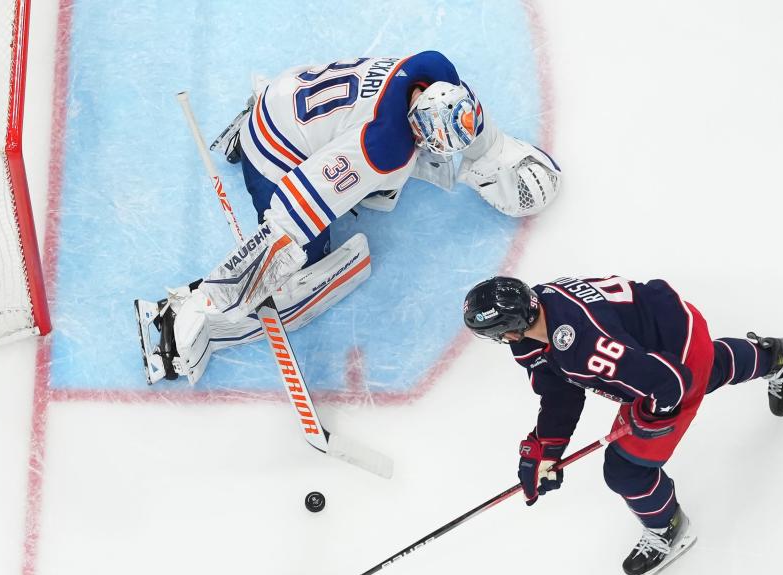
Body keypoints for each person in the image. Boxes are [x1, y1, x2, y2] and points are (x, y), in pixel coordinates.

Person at [134, 51, 562, 385]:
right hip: (276, 149)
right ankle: (190, 319)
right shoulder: (384, 147)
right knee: (301, 259)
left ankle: (259, 113)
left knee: (392, 173)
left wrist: (493, 151)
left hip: (291, 92)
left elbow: (465, 114)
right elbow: (287, 224)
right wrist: (211, 298)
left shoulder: (434, 70)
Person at [462, 275, 783, 575]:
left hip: (671, 364)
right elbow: (560, 392)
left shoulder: (582, 346)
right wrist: (546, 448)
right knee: (710, 363)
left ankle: (669, 529)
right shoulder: (541, 317)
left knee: (626, 469)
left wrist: (652, 413)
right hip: (672, 326)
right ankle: (780, 357)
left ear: (506, 331)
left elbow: (670, 383)